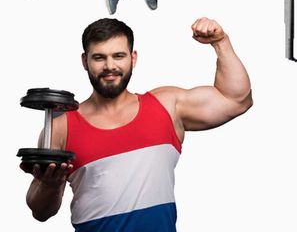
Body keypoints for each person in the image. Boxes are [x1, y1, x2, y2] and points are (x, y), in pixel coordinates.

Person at [23, 17, 252, 230]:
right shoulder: (61, 127)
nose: (109, 66)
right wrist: (50, 185)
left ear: (133, 58)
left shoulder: (166, 106)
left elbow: (236, 100)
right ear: (85, 61)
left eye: (118, 56)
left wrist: (220, 42)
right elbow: (40, 212)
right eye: (99, 57)